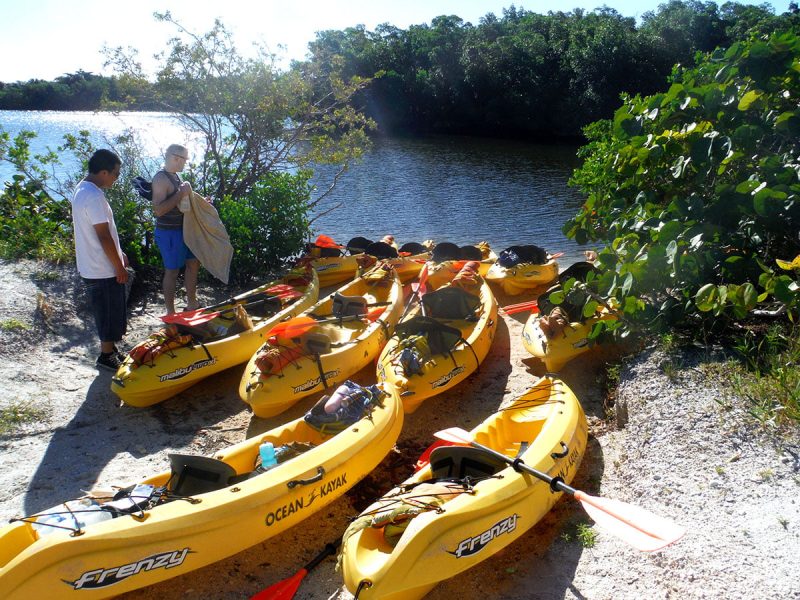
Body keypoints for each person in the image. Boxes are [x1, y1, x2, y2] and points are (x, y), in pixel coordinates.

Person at [71, 149, 129, 371]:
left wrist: (119, 252)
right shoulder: (93, 196)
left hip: (91, 263)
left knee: (109, 308)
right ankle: (106, 355)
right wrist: (118, 266)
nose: (116, 178)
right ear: (104, 172)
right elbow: (103, 236)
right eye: (116, 173)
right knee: (108, 311)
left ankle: (111, 349)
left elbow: (105, 235)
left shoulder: (82, 188)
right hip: (101, 266)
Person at [151, 144, 200, 314]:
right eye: (185, 159)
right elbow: (158, 210)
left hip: (184, 231)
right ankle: (171, 312)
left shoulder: (176, 177)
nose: (185, 162)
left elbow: (181, 203)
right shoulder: (160, 179)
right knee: (172, 272)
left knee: (193, 264)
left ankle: (192, 304)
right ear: (175, 157)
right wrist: (181, 193)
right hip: (169, 233)